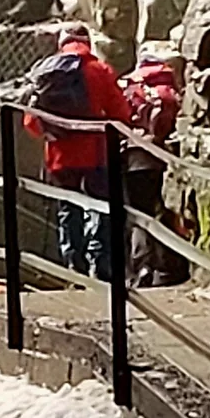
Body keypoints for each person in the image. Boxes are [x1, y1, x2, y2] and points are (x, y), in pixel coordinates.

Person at [23, 21, 133, 277]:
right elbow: (122, 114)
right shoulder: (99, 70)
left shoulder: (45, 72)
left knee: (68, 208)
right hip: (95, 152)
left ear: (61, 45)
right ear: (88, 43)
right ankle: (100, 265)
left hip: (60, 156)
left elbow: (29, 121)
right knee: (99, 206)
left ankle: (74, 264)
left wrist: (54, 134)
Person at [125, 50, 184, 281]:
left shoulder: (129, 85)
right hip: (162, 158)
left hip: (133, 158)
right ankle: (165, 268)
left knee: (139, 215)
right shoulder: (169, 89)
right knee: (164, 213)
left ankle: (142, 268)